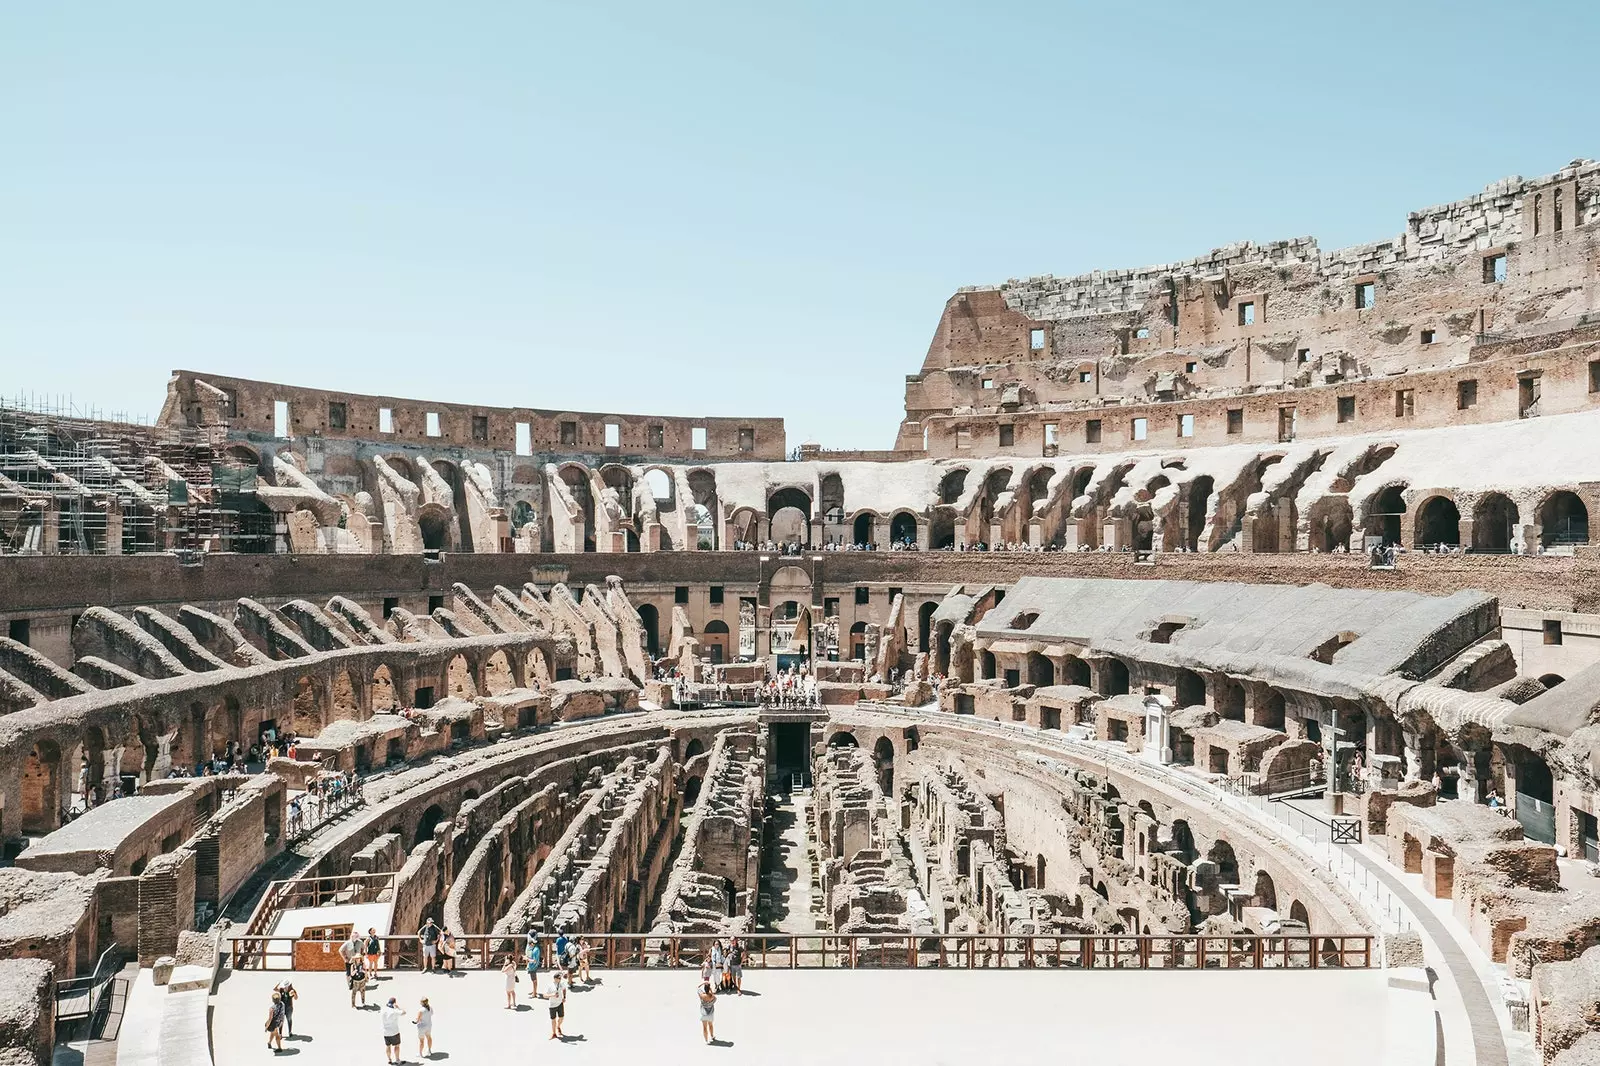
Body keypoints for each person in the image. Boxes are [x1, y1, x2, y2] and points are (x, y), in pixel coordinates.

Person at [543, 971, 567, 1040]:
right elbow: (544, 995)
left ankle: (558, 1026)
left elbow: (564, 989)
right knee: (553, 1020)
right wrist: (552, 995)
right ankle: (554, 1033)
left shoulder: (561, 983)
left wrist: (564, 997)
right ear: (555, 978)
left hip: (560, 1003)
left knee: (561, 1018)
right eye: (559, 978)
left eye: (560, 978)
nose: (560, 979)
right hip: (552, 1005)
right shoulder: (550, 986)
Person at [381, 997, 405, 1064]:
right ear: (394, 1003)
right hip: (394, 1032)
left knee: (388, 1046)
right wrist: (398, 1007)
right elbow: (404, 1012)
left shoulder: (383, 1009)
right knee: (397, 1046)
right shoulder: (395, 1011)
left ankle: (389, 1059)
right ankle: (397, 1060)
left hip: (386, 1032)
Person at [698, 979, 717, 1044]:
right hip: (710, 1013)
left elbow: (698, 988)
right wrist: (711, 990)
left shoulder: (702, 996)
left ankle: (706, 1040)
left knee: (704, 1027)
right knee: (711, 1025)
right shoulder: (713, 997)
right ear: (709, 989)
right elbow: (714, 997)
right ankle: (712, 1036)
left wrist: (703, 983)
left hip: (703, 1013)